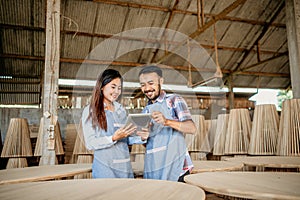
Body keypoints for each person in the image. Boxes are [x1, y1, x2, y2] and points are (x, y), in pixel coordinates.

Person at [81, 69, 149, 178]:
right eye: (113, 87)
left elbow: (125, 138)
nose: (117, 91)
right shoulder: (90, 111)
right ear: (102, 86)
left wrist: (141, 138)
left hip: (124, 166)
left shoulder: (121, 110)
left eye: (119, 88)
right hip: (105, 168)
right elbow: (90, 143)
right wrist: (113, 138)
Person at [139, 65, 196, 182]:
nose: (147, 88)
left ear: (161, 81)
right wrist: (144, 137)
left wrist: (167, 121)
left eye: (151, 83)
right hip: (155, 167)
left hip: (177, 166)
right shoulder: (145, 111)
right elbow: (149, 144)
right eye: (143, 85)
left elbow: (192, 128)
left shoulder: (174, 100)